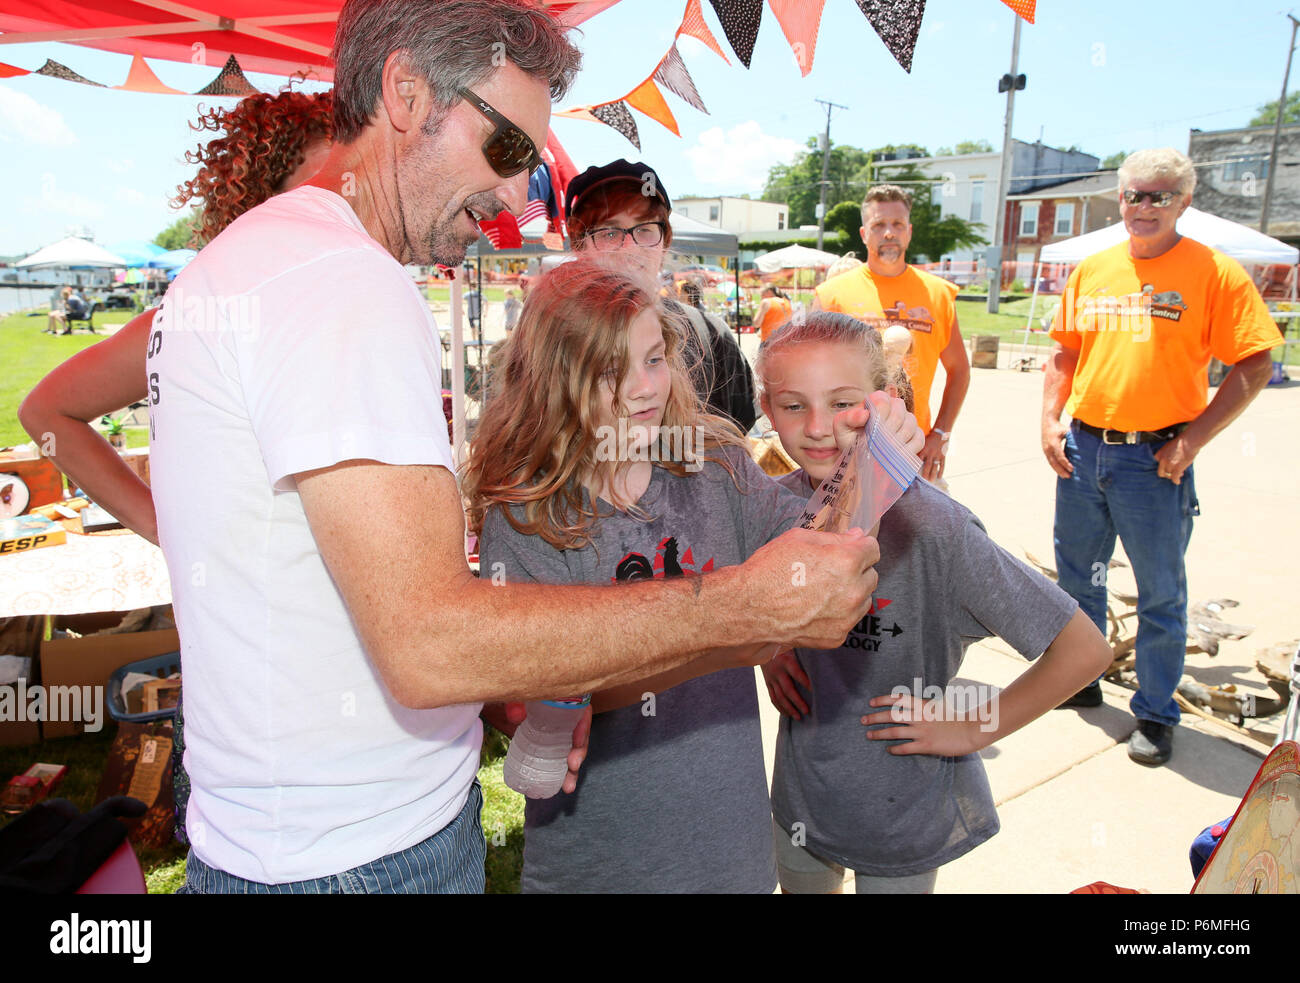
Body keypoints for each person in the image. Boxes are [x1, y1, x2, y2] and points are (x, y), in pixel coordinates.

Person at [29, 0, 879, 894]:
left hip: (255, 843)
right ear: (405, 92)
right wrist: (746, 608)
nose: (518, 196)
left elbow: (63, 416)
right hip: (365, 856)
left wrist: (196, 540)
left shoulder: (224, 270)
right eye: (508, 149)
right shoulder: (345, 282)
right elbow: (430, 645)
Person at [464, 258, 923, 892]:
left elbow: (817, 560)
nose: (642, 389)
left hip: (730, 857)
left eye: (654, 359)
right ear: (552, 378)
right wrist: (735, 633)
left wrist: (873, 471)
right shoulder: (529, 516)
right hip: (597, 867)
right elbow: (529, 696)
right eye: (609, 371)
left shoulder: (716, 469)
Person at [21, 88, 335, 851]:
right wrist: (159, 522)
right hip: (260, 726)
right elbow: (48, 413)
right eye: (324, 192)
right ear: (262, 201)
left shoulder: (333, 307)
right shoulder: (194, 316)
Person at [757, 312, 1113, 893]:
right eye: (794, 405)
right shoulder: (772, 509)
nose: (818, 427)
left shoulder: (936, 530)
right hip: (802, 793)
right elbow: (745, 609)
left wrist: (976, 728)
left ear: (887, 400)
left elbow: (1083, 650)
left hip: (904, 809)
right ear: (767, 410)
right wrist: (772, 653)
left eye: (841, 401)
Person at [1042, 148, 1280, 766]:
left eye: (1159, 196)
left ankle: (1154, 712)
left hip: (1155, 461)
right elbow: (1064, 354)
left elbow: (1256, 362)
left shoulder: (1214, 273)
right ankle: (1082, 679)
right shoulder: (1093, 269)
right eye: (1133, 195)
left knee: (1160, 596)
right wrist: (1049, 421)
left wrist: (1194, 438)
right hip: (1084, 449)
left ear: (1184, 202)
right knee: (1078, 582)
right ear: (1119, 199)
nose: (1144, 207)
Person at [566, 158, 759, 433]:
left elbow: (739, 434)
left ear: (665, 241)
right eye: (609, 232)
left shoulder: (711, 335)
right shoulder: (553, 337)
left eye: (644, 229)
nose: (629, 247)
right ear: (578, 242)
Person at [813, 184, 971, 483]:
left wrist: (940, 433)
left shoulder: (938, 295)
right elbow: (812, 374)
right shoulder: (832, 295)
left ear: (909, 232)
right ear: (864, 234)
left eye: (897, 224)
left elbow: (959, 370)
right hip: (845, 448)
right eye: (879, 225)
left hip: (912, 450)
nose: (889, 233)